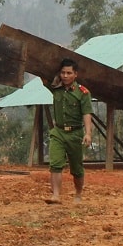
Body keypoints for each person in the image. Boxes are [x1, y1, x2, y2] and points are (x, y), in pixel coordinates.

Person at [47, 58, 94, 204]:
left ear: (75, 75)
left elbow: (87, 113)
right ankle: (55, 195)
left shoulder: (83, 93)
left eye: (68, 73)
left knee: (77, 167)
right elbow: (42, 74)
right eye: (62, 73)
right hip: (58, 132)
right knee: (55, 163)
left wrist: (88, 133)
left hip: (75, 134)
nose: (65, 76)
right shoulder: (55, 89)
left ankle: (78, 194)